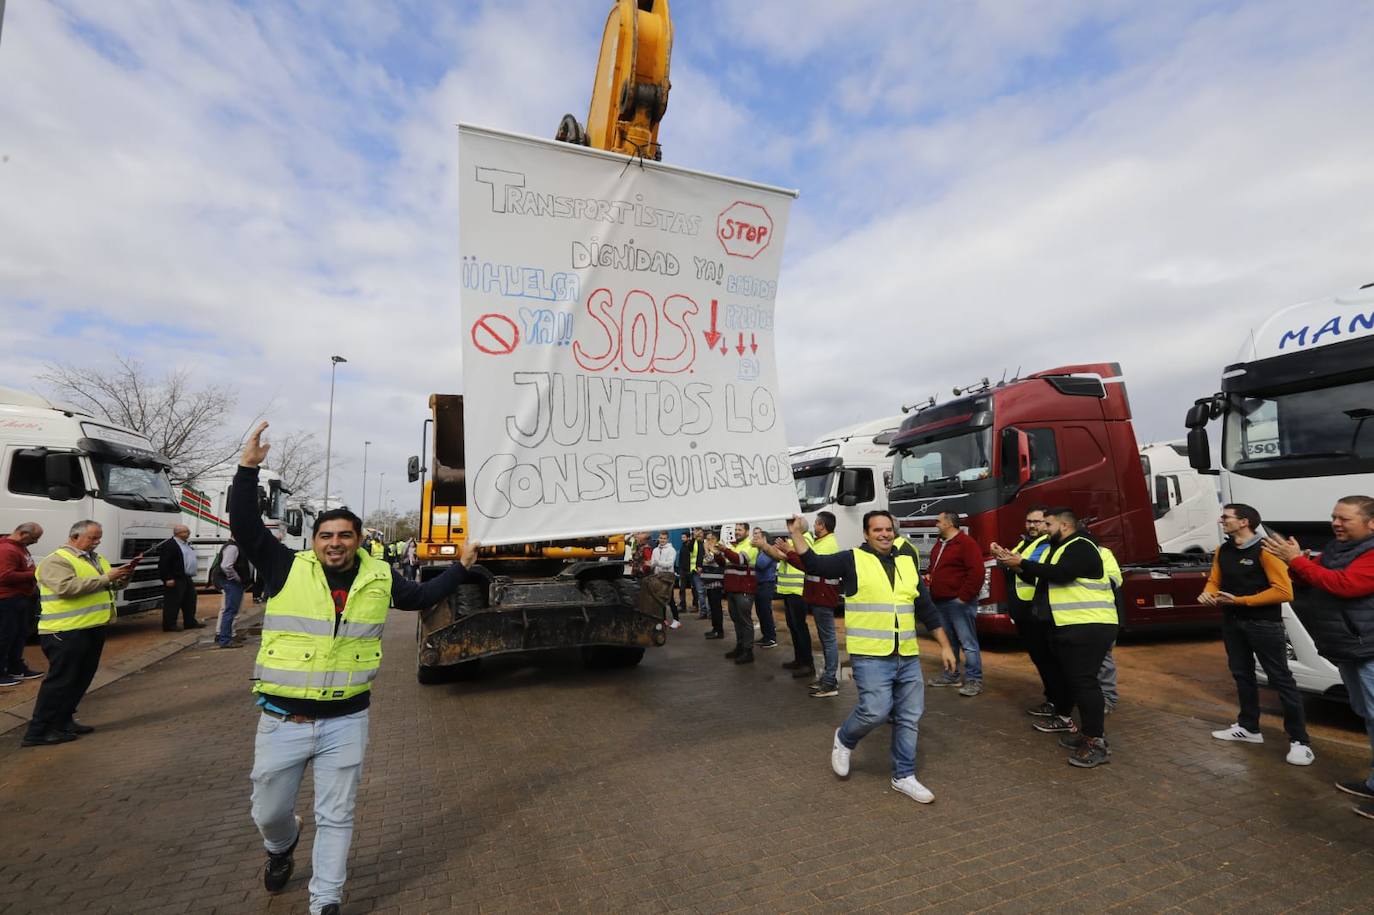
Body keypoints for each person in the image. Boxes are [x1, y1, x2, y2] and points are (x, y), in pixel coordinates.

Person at [232, 422, 481, 914]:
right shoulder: (286, 566)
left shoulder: (381, 575)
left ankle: (325, 901)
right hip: (282, 721)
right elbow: (245, 526)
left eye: (345, 535)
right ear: (316, 540)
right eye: (326, 535)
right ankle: (281, 847)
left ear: (360, 539)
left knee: (338, 815)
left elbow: (423, 597)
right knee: (269, 811)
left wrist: (461, 568)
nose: (335, 543)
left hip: (346, 721)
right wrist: (247, 470)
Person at [780, 512, 956, 803]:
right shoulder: (852, 560)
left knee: (909, 717)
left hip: (907, 655)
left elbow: (925, 606)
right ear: (866, 534)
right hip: (870, 656)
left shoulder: (906, 561)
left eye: (888, 529)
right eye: (877, 530)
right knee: (875, 710)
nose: (884, 534)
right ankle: (845, 739)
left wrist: (945, 646)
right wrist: (796, 532)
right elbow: (813, 563)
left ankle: (904, 775)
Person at [1263, 495, 1374, 819]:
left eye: (1345, 519)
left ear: (1371, 523)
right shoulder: (1338, 549)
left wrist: (1298, 561)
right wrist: (1294, 563)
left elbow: (1344, 585)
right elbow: (1315, 579)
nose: (1336, 523)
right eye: (1334, 517)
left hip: (1368, 648)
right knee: (1366, 713)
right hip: (1351, 647)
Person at [993, 507, 1117, 768]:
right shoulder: (1060, 547)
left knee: (1085, 684)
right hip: (1073, 624)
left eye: (1048, 524)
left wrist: (1022, 563)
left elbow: (1061, 573)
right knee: (1075, 681)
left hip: (1089, 625)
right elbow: (1042, 577)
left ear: (1064, 525)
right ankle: (1087, 734)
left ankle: (1096, 741)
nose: (1044, 529)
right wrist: (1013, 564)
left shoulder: (1081, 545)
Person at [1199, 503, 1311, 764]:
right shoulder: (1223, 550)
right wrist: (1208, 592)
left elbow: (1284, 592)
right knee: (1242, 675)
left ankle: (1300, 741)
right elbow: (1215, 580)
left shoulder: (1266, 550)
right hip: (1232, 623)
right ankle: (1249, 728)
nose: (1221, 521)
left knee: (1280, 680)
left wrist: (1240, 601)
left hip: (1264, 625)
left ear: (1244, 522)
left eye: (1226, 517)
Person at [22, 521, 133, 746]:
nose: (97, 541)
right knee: (60, 681)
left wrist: (121, 578)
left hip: (91, 627)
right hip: (64, 631)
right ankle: (38, 731)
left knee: (80, 679)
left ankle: (63, 720)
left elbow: (104, 586)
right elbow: (66, 588)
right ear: (75, 537)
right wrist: (106, 578)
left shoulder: (96, 559)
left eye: (99, 537)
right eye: (93, 538)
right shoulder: (56, 560)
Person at [925, 511, 985, 697]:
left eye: (939, 521)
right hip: (941, 601)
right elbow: (935, 565)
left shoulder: (966, 544)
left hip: (958, 603)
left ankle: (974, 680)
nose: (936, 524)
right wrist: (930, 576)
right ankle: (951, 675)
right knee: (949, 642)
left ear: (949, 523)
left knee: (968, 642)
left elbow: (977, 572)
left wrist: (963, 597)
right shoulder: (940, 543)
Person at [1004, 506, 1056, 717]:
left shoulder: (1045, 544)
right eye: (1029, 521)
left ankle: (1056, 702)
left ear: (1047, 523)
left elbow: (1032, 571)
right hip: (1024, 611)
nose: (1032, 525)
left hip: (1036, 612)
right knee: (1040, 659)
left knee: (1047, 660)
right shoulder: (1025, 542)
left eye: (1037, 522)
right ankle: (1053, 699)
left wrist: (1013, 563)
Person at [0, 522, 46, 685]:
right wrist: (34, 573)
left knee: (18, 635)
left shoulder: (18, 547)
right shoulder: (7, 550)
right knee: (5, 636)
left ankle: (16, 667)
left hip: (20, 598)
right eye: (34, 538)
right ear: (23, 534)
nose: (35, 542)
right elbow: (5, 576)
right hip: (7, 600)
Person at [771, 519, 814, 680]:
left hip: (798, 590)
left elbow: (799, 558)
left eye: (793, 524)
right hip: (789, 590)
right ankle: (799, 659)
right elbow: (784, 556)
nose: (789, 527)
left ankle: (807, 664)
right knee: (794, 627)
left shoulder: (805, 539)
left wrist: (785, 551)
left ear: (800, 527)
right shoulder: (794, 540)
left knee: (800, 628)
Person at [717, 522, 760, 664]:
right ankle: (740, 647)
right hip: (732, 588)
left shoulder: (751, 545)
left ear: (747, 531)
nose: (737, 532)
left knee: (745, 621)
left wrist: (725, 550)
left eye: (740, 530)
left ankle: (748, 652)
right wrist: (718, 554)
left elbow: (740, 560)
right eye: (736, 530)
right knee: (736, 620)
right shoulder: (733, 545)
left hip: (744, 589)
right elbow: (725, 563)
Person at [159, 524, 203, 631]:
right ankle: (169, 625)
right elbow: (164, 564)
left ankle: (190, 622)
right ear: (178, 533)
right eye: (186, 531)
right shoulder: (170, 545)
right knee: (173, 602)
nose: (188, 533)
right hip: (175, 578)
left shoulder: (186, 544)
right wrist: (167, 578)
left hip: (187, 577)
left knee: (190, 600)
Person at [213, 535, 251, 649]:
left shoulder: (235, 546)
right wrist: (236, 577)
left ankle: (226, 636)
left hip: (231, 582)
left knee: (230, 610)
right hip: (232, 583)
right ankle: (225, 639)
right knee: (230, 611)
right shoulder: (233, 547)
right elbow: (226, 566)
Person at [750, 527, 779, 649]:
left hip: (766, 584)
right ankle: (765, 636)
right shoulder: (760, 551)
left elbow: (760, 564)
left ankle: (771, 638)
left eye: (758, 537)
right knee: (760, 611)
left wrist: (760, 549)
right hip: (759, 584)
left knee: (765, 611)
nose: (755, 539)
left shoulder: (768, 551)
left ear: (765, 539)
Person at [648, 531, 679, 629]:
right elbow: (652, 563)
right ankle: (663, 619)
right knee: (659, 600)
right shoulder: (655, 550)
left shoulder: (671, 550)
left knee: (670, 599)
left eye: (664, 538)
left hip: (668, 577)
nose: (662, 540)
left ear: (667, 539)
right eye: (661, 538)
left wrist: (657, 562)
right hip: (658, 576)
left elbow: (669, 564)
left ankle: (676, 620)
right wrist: (653, 564)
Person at [699, 532, 725, 639]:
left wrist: (706, 549)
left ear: (716, 539)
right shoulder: (710, 549)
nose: (709, 541)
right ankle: (715, 629)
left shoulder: (717, 549)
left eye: (711, 539)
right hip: (709, 584)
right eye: (707, 539)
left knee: (716, 608)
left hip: (716, 583)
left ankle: (719, 631)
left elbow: (710, 560)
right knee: (713, 608)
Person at [674, 531, 695, 617]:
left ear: (688, 537)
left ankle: (695, 605)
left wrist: (693, 537)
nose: (682, 539)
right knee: (682, 588)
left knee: (694, 588)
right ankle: (683, 605)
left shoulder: (690, 545)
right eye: (682, 537)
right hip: (682, 570)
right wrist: (679, 569)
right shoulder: (683, 545)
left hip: (689, 570)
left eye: (684, 537)